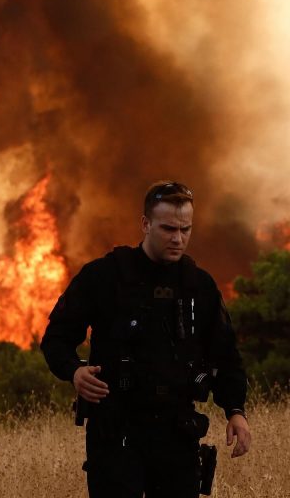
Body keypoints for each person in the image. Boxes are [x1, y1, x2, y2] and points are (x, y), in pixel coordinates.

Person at [40, 181, 251, 498]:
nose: (178, 239)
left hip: (177, 431)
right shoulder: (103, 276)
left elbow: (226, 355)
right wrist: (74, 371)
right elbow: (55, 338)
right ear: (145, 224)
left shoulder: (199, 286)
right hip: (116, 431)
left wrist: (235, 410)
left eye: (185, 229)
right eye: (168, 229)